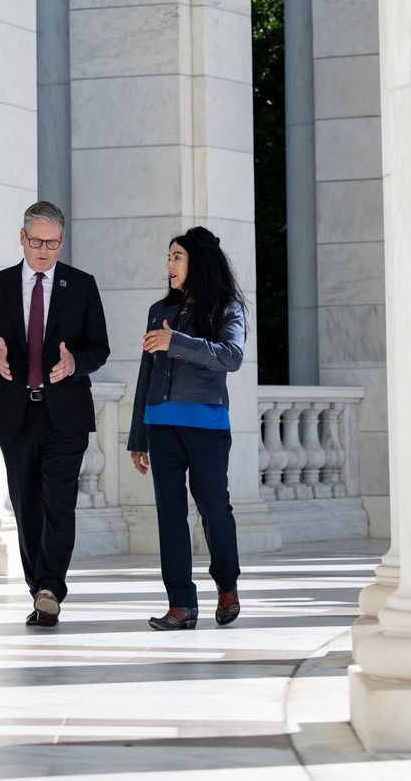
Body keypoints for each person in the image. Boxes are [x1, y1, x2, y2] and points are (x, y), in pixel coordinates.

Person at [0, 201, 109, 627]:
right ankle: (39, 589)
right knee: (27, 506)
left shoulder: (82, 285)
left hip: (65, 414)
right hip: (16, 413)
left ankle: (51, 587)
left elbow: (98, 348)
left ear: (62, 241)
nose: (44, 250)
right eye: (37, 241)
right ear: (22, 238)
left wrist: (74, 364)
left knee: (59, 504)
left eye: (52, 243)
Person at [128, 225, 246, 630]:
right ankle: (181, 603)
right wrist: (138, 436)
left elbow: (231, 356)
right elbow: (146, 373)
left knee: (214, 508)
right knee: (170, 515)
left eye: (176, 257)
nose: (169, 265)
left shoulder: (227, 308)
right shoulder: (158, 311)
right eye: (168, 257)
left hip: (207, 425)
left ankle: (227, 585)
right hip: (161, 424)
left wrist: (176, 341)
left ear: (197, 262)